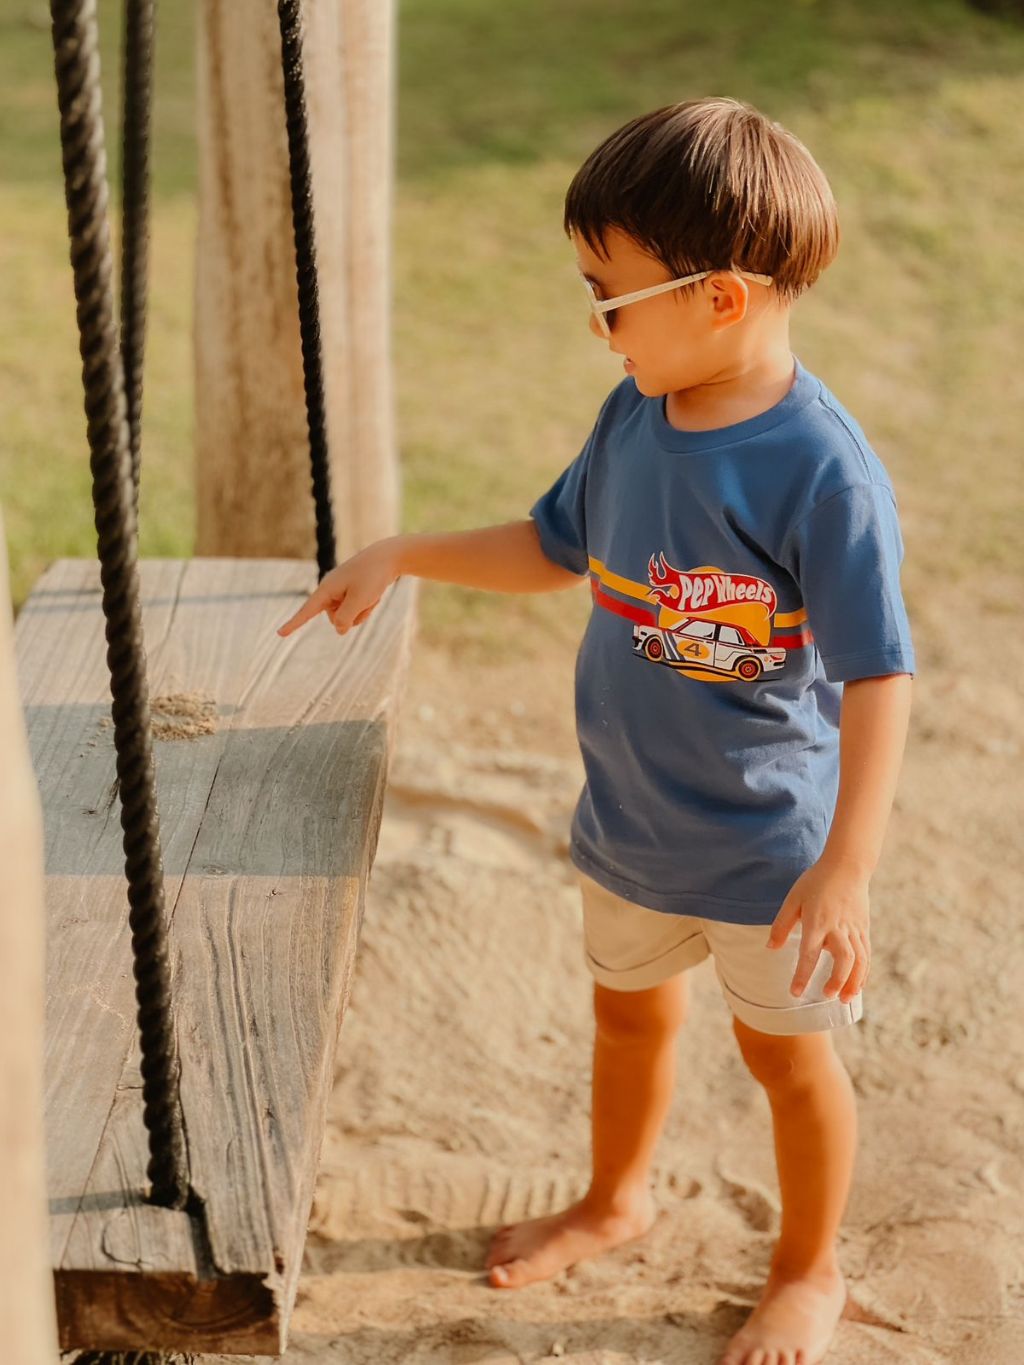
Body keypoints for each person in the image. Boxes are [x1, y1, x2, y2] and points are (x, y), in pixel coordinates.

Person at [277, 96, 915, 1365]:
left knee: (785, 1062)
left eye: (609, 297)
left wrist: (845, 867)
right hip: (628, 821)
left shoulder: (819, 471)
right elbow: (551, 547)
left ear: (718, 299)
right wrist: (403, 554)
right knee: (627, 1020)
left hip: (768, 856)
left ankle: (809, 1270)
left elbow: (878, 675)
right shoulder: (635, 414)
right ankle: (616, 1199)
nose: (596, 324)